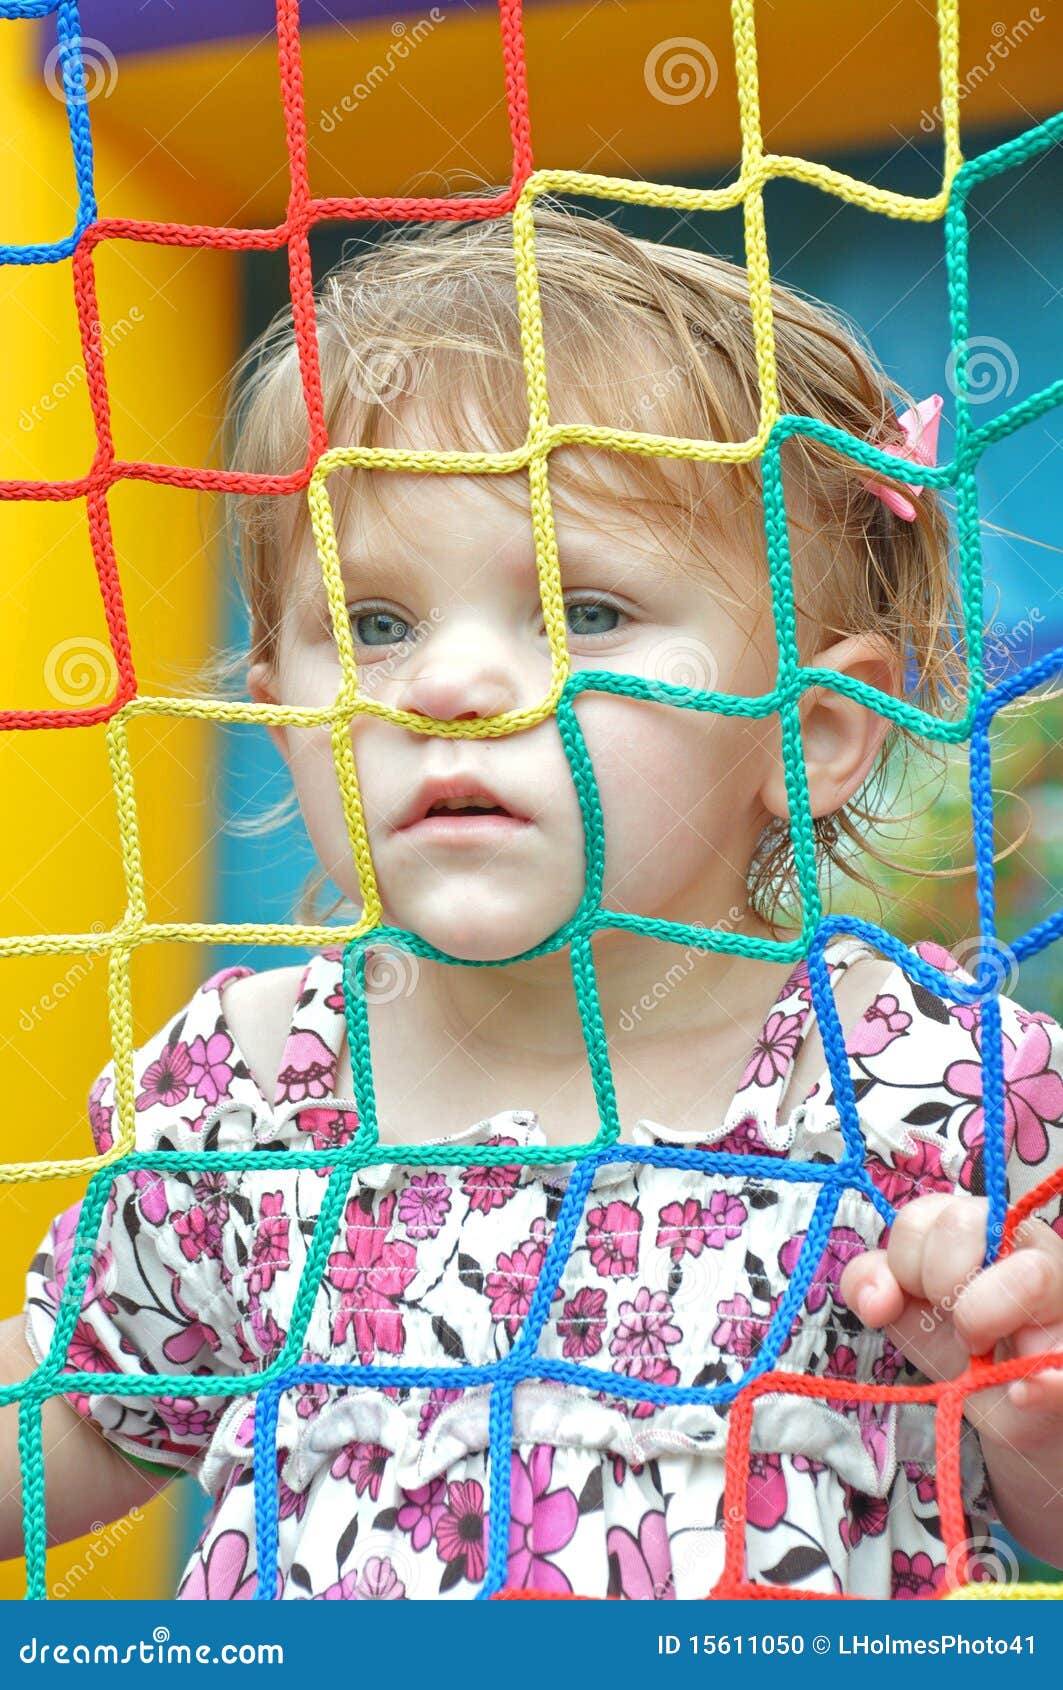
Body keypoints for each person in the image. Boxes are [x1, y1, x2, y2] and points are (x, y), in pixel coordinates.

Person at [4, 197, 1063, 1601]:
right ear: (278, 713)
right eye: (375, 624)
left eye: (585, 613)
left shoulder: (930, 1090)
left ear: (810, 728)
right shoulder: (258, 1086)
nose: (445, 686)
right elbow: (76, 1418)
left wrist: (1023, 1391)